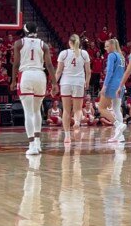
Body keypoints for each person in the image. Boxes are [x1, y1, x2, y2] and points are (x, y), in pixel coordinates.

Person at [11, 24, 53, 157]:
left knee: (28, 112)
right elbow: (49, 65)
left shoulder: (19, 43)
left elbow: (16, 64)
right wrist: (55, 82)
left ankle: (32, 145)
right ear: (37, 30)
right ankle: (38, 142)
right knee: (37, 110)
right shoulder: (44, 45)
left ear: (24, 31)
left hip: (26, 75)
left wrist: (13, 80)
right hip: (40, 76)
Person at [55, 34, 90, 147]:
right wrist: (87, 81)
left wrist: (53, 84)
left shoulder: (63, 53)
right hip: (79, 82)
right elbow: (88, 71)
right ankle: (77, 123)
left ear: (69, 42)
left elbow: (59, 72)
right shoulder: (84, 54)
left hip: (65, 82)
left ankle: (67, 136)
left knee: (66, 110)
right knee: (78, 109)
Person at [97, 38, 127, 144]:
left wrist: (104, 86)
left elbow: (109, 72)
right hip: (121, 85)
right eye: (105, 46)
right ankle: (120, 136)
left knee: (101, 108)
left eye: (107, 46)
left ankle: (118, 125)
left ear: (113, 46)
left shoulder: (111, 55)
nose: (105, 48)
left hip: (112, 85)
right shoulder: (122, 56)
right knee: (116, 109)